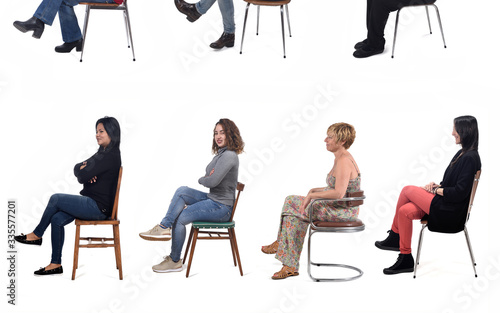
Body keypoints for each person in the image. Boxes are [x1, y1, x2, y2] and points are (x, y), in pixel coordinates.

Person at [14, 117, 122, 276]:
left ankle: (37, 235)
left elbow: (82, 175)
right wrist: (84, 171)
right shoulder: (102, 153)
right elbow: (77, 169)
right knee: (57, 219)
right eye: (96, 131)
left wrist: (85, 173)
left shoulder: (109, 156)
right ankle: (55, 264)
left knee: (55, 199)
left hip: (98, 208)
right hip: (91, 204)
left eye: (101, 131)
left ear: (112, 133)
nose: (97, 135)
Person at [375, 115, 481, 275]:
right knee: (404, 212)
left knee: (407, 190)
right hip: (445, 204)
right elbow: (453, 184)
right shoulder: (462, 154)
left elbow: (460, 193)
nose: (452, 133)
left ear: (464, 131)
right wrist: (438, 186)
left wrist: (435, 191)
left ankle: (395, 236)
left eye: (455, 129)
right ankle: (405, 258)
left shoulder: (470, 158)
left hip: (451, 212)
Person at [139, 119, 244, 274]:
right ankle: (164, 227)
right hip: (213, 200)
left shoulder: (229, 156)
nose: (218, 136)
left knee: (181, 216)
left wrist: (204, 179)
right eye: (216, 133)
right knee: (182, 191)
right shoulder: (220, 155)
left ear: (231, 134)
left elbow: (211, 180)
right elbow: (211, 177)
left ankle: (175, 260)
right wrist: (209, 177)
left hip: (222, 208)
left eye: (222, 132)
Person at [261, 123, 361, 279]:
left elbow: (339, 193)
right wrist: (313, 191)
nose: (325, 140)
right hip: (335, 207)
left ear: (342, 141)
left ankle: (287, 256)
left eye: (330, 137)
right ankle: (289, 264)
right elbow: (334, 187)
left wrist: (312, 196)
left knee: (292, 205)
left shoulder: (344, 161)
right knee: (294, 210)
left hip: (342, 211)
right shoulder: (340, 158)